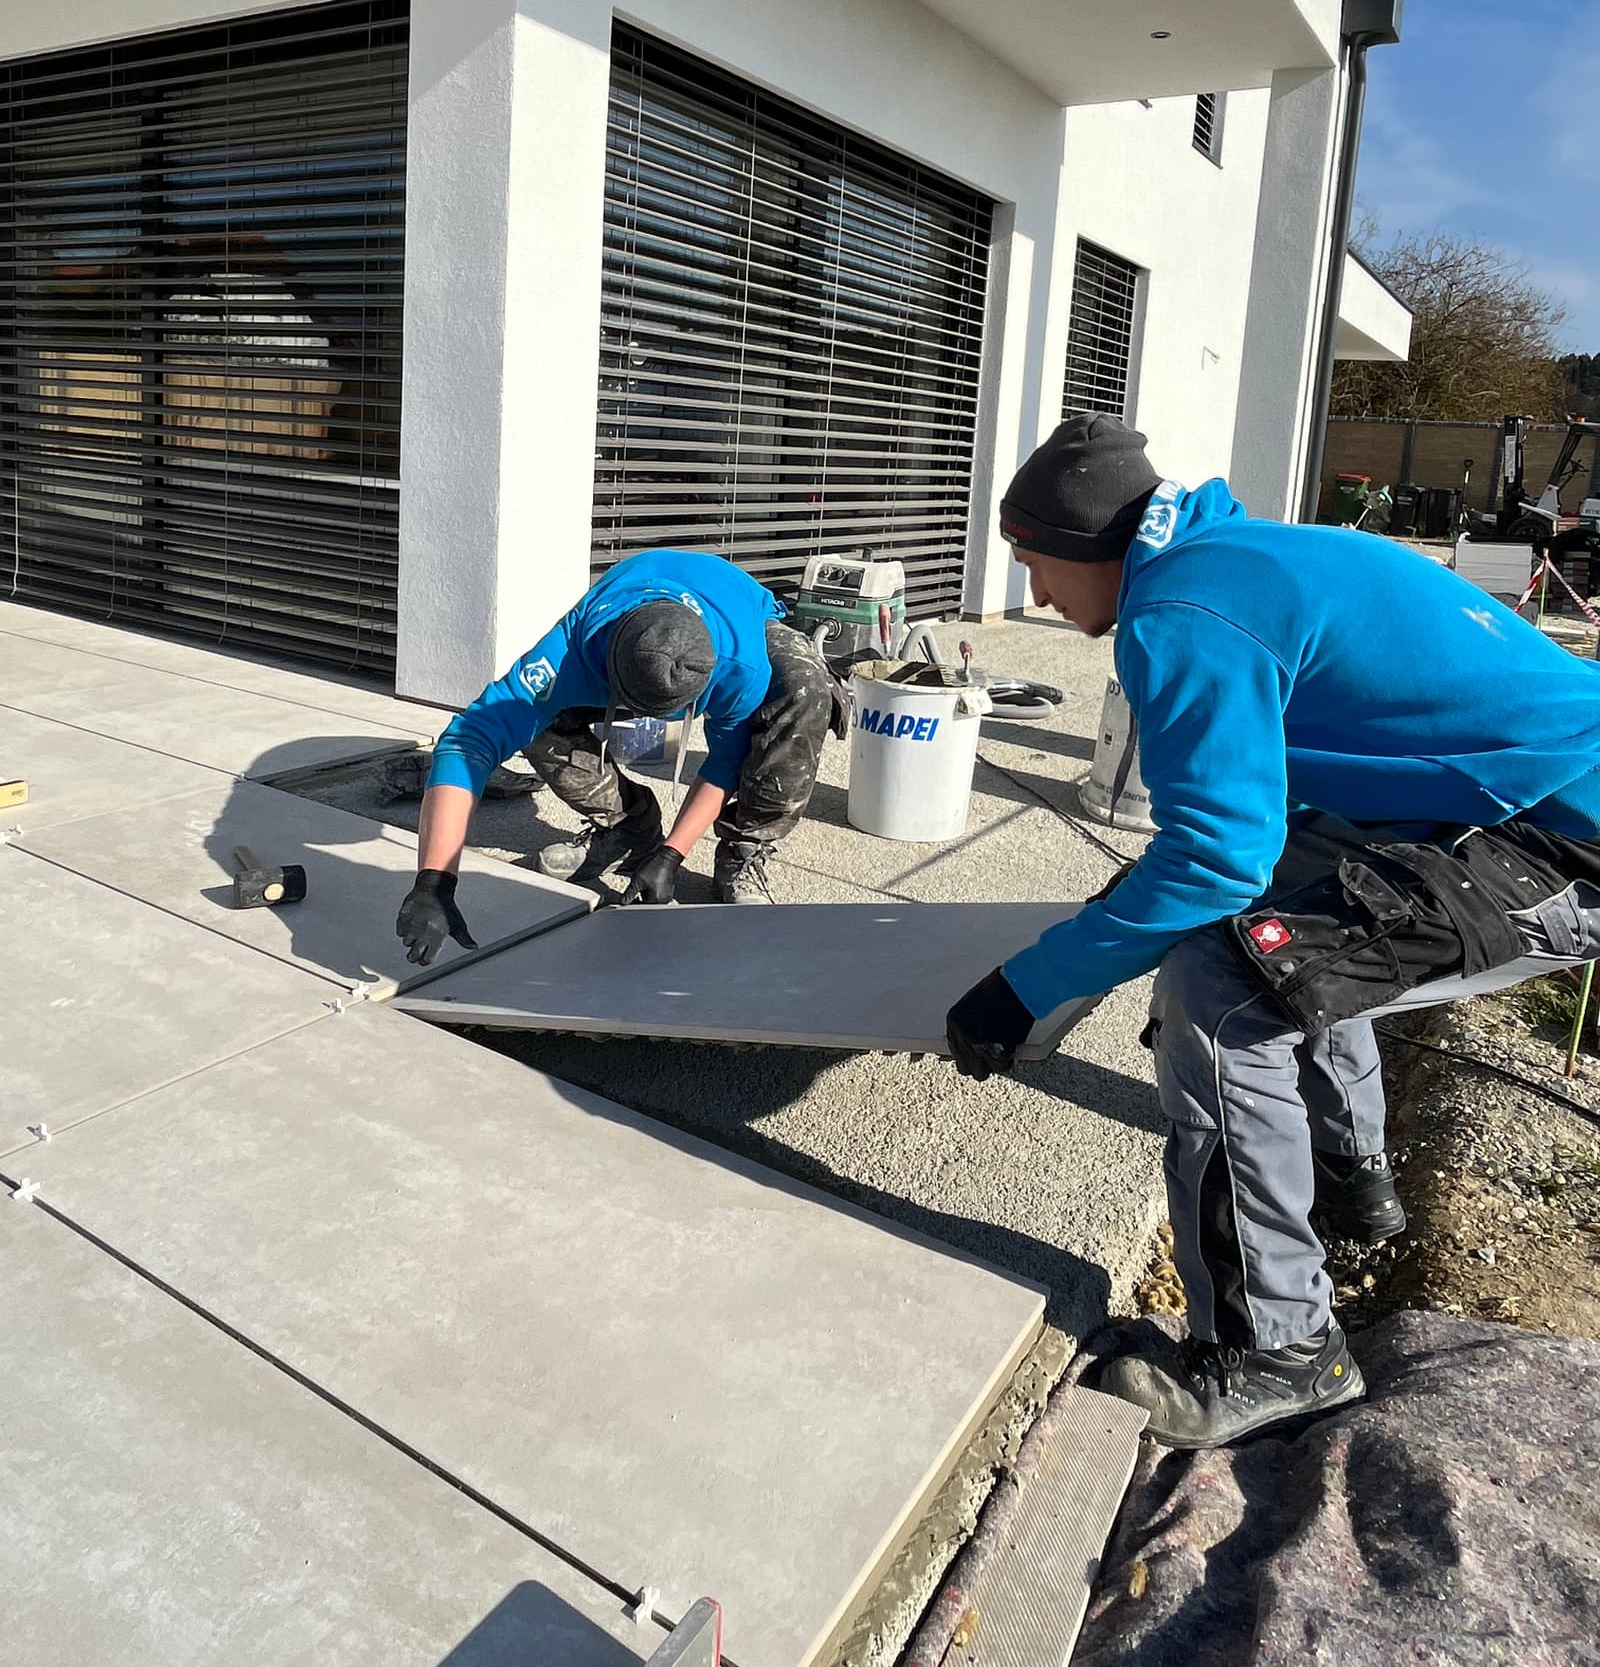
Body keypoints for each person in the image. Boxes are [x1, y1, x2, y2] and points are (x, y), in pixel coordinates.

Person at [945, 414, 1600, 1449]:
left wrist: (1028, 988)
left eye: (1033, 564)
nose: (1033, 597)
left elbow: (1212, 860)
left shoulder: (1182, 611)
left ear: (1085, 550)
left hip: (1557, 841)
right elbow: (1238, 841)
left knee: (1226, 986)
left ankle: (1280, 1353)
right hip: (1516, 798)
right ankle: (1351, 1176)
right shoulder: (1239, 556)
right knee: (1273, 932)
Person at [396, 550, 844, 963]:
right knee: (529, 718)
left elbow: (724, 763)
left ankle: (745, 848)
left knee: (804, 688)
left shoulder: (738, 666)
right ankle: (629, 827)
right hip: (631, 616)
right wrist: (435, 880)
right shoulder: (570, 649)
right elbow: (469, 740)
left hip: (741, 609)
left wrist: (673, 855)